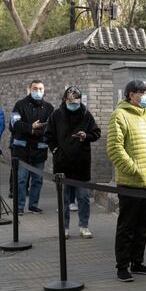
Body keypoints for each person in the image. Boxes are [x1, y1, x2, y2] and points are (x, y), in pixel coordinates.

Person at [107, 80, 146, 282]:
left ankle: (137, 262)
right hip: (131, 183)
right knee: (127, 228)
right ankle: (122, 266)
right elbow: (115, 149)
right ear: (131, 94)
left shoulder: (145, 116)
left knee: (143, 226)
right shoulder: (119, 115)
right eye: (143, 92)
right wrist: (135, 169)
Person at [46, 86, 101, 239]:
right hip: (62, 162)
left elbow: (96, 133)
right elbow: (48, 135)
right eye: (71, 101)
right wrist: (56, 150)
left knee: (83, 197)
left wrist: (86, 136)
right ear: (65, 100)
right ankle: (64, 227)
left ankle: (84, 226)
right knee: (63, 198)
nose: (74, 104)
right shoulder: (56, 115)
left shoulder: (86, 114)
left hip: (81, 162)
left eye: (76, 101)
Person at [10, 80, 53, 214]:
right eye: (35, 88)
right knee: (21, 180)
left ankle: (33, 205)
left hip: (39, 150)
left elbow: (49, 128)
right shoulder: (20, 105)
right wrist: (31, 128)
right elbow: (14, 125)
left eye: (40, 89)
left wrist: (34, 131)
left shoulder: (49, 108)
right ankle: (19, 206)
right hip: (22, 150)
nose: (38, 91)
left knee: (37, 180)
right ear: (30, 89)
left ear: (44, 90)